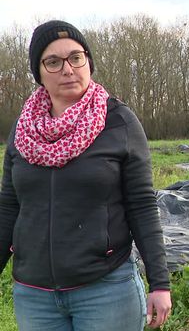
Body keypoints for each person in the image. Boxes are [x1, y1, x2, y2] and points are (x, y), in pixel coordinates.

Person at [0, 20, 172, 330]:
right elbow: (9, 206)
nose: (67, 69)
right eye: (53, 61)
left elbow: (142, 204)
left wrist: (160, 283)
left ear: (88, 62)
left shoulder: (118, 121)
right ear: (38, 73)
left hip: (105, 290)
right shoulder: (22, 130)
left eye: (75, 58)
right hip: (34, 296)